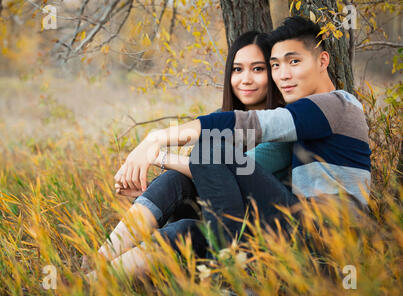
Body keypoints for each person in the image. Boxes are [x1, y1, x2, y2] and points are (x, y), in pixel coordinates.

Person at [113, 16, 371, 258]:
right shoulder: (310, 113)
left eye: (294, 62)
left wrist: (157, 141)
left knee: (210, 151)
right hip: (300, 228)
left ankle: (228, 266)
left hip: (327, 239)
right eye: (276, 65)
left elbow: (252, 125)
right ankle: (96, 273)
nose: (283, 74)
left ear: (322, 61)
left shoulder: (335, 104)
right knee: (185, 225)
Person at [84, 31, 293, 280]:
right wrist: (150, 189)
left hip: (256, 236)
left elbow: (230, 171)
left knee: (182, 210)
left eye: (257, 69)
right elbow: (205, 179)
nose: (245, 79)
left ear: (273, 73)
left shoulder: (283, 124)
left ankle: (92, 284)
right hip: (216, 224)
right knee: (172, 182)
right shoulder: (220, 118)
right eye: (237, 70)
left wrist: (156, 156)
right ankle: (97, 266)